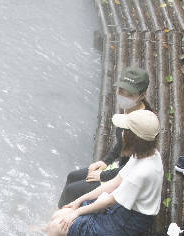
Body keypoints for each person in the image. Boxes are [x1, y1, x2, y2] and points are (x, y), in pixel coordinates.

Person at [17, 109, 162, 236]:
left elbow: (109, 200)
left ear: (134, 138)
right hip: (121, 211)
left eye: (126, 131)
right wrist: (79, 200)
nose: (122, 134)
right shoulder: (145, 156)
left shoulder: (143, 172)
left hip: (125, 225)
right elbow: (113, 183)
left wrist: (77, 212)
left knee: (57, 226)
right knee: (59, 215)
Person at [57, 66, 153, 208]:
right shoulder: (129, 109)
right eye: (121, 91)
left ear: (142, 95)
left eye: (130, 94)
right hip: (119, 167)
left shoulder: (141, 125)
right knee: (72, 176)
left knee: (73, 190)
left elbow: (132, 169)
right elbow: (122, 143)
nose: (123, 97)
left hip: (126, 179)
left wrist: (102, 176)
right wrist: (105, 162)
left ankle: (61, 219)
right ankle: (58, 214)